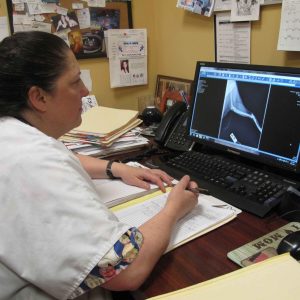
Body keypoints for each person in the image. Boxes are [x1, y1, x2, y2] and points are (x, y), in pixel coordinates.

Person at [0, 31, 199, 300]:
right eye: (75, 82)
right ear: (39, 98)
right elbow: (126, 272)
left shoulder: (13, 133)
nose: (86, 91)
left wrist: (116, 168)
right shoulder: (35, 161)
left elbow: (62, 156)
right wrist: (174, 209)